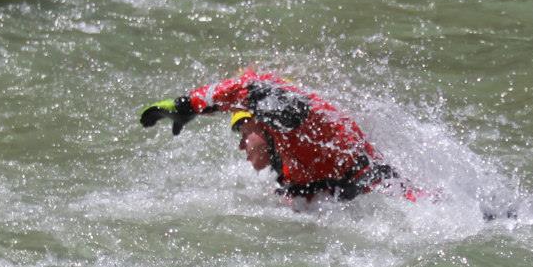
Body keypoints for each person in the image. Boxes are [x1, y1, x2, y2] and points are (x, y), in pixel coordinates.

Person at [140, 70, 405, 204]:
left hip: (395, 205)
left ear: (264, 124)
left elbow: (252, 87)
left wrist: (188, 105)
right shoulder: (285, 162)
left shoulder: (300, 125)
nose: (241, 145)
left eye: (243, 133)